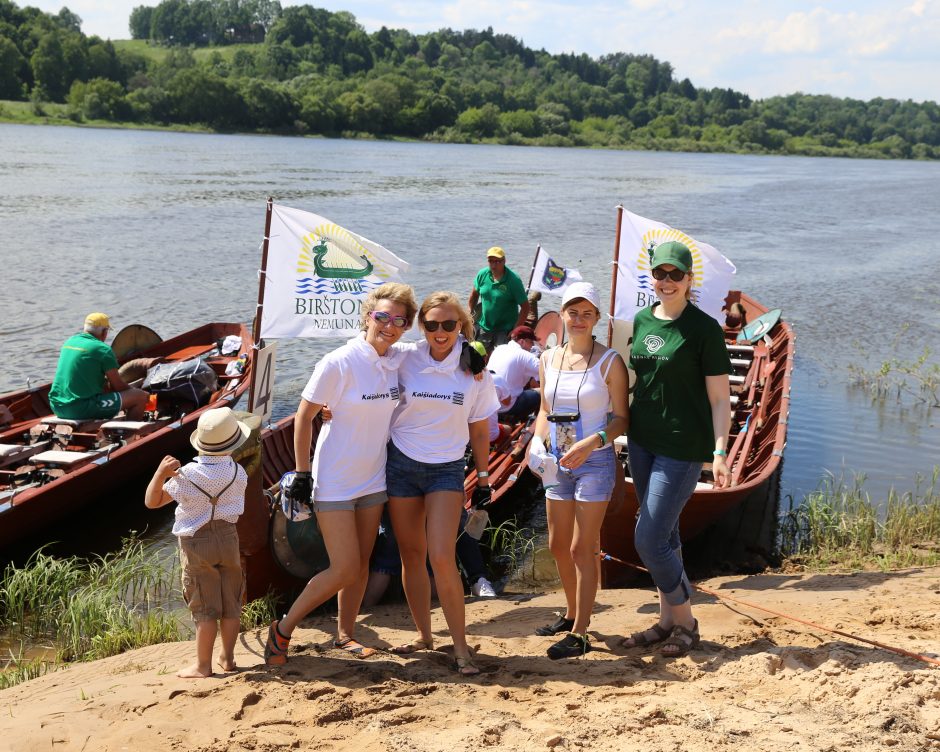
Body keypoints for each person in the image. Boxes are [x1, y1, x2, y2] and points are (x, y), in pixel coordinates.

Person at [264, 283, 418, 665]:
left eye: (399, 320)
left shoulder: (397, 359)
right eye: (382, 316)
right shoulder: (338, 362)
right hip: (334, 480)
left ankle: (345, 635)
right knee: (344, 567)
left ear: (405, 327)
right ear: (367, 316)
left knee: (362, 564)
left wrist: (475, 359)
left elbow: (442, 349)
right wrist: (302, 473)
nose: (389, 325)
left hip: (373, 480)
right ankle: (282, 630)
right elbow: (304, 417)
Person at [621, 241, 732, 657]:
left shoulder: (703, 329)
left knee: (648, 539)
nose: (667, 282)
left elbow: (720, 400)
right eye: (660, 274)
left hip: (684, 447)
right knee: (666, 533)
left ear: (689, 279)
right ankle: (668, 620)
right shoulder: (643, 319)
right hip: (643, 440)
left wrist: (719, 453)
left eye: (675, 275)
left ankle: (686, 622)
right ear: (652, 277)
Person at [386, 291, 500, 676]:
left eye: (448, 325)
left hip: (447, 469)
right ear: (422, 326)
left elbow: (480, 429)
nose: (439, 332)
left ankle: (462, 649)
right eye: (431, 325)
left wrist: (483, 478)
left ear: (461, 326)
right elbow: (367, 375)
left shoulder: (474, 366)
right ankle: (424, 635)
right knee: (411, 555)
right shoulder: (405, 357)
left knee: (441, 555)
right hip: (400, 464)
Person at [528, 282, 629, 659]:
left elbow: (621, 419)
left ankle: (581, 632)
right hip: (556, 461)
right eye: (573, 312)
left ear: (597, 318)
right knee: (556, 545)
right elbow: (543, 409)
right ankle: (571, 614)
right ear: (563, 314)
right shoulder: (547, 358)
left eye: (587, 313)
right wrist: (536, 442)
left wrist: (594, 442)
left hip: (595, 461)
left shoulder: (610, 361)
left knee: (582, 546)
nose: (579, 319)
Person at [144, 407, 250, 678]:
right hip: (228, 538)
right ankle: (227, 657)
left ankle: (203, 666)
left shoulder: (187, 476)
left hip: (196, 541)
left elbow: (152, 502)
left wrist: (160, 473)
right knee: (230, 603)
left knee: (204, 606)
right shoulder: (238, 472)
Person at [49, 312, 149, 421]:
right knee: (140, 397)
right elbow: (118, 387)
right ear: (104, 332)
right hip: (79, 408)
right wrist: (136, 390)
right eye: (107, 331)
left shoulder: (70, 342)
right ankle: (129, 435)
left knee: (105, 387)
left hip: (56, 405)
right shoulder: (103, 349)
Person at [468, 247, 529, 353]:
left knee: (500, 359)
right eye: (490, 261)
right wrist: (469, 316)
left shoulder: (514, 280)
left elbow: (525, 307)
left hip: (505, 330)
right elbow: (474, 296)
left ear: (504, 261)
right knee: (478, 358)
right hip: (484, 326)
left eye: (497, 261)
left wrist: (516, 329)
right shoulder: (482, 275)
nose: (493, 265)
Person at [486, 325, 540, 420]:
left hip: (489, 404)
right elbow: (547, 372)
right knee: (539, 393)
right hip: (507, 406)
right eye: (531, 342)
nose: (532, 346)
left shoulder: (499, 348)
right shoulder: (526, 356)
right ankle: (523, 420)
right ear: (522, 341)